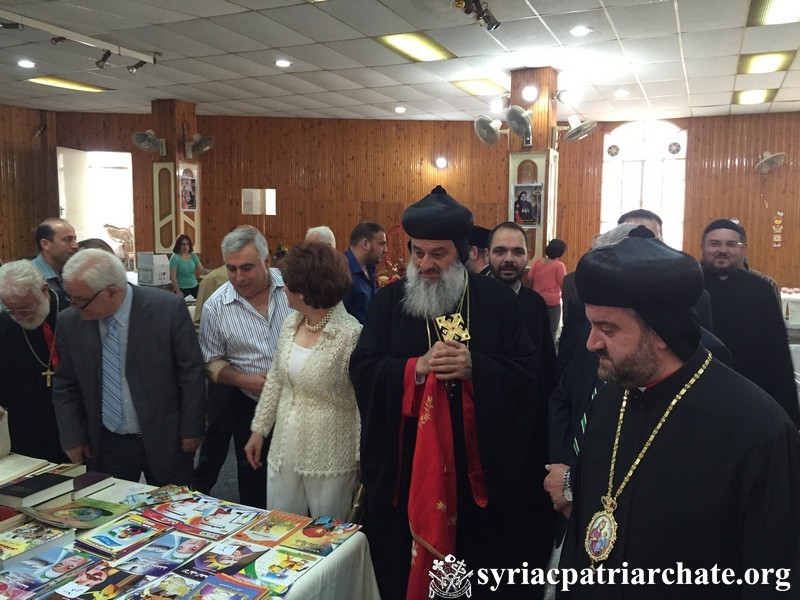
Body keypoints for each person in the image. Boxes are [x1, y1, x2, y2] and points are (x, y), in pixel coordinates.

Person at [558, 232, 800, 597]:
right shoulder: (610, 401)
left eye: (607, 328)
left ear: (661, 332)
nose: (591, 342)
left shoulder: (757, 430)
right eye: (591, 325)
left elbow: (772, 576)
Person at [350, 186, 540, 600]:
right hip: (410, 464)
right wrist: (412, 370)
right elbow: (362, 370)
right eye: (418, 253)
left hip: (477, 467)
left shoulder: (499, 303)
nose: (425, 264)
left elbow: (529, 375)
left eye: (438, 254)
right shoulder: (388, 303)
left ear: (463, 252)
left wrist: (478, 369)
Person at [52, 249, 205, 485]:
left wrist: (191, 429)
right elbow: (66, 384)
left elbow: (191, 373)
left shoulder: (167, 309)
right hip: (107, 443)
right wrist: (73, 436)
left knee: (172, 511)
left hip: (166, 437)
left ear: (112, 292)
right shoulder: (70, 321)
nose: (75, 308)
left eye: (81, 301)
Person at [244, 241, 361, 520]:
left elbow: (361, 405)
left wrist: (361, 458)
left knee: (328, 534)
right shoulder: (291, 323)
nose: (283, 289)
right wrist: (259, 429)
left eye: (288, 285)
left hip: (330, 451)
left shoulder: (351, 335)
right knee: (279, 525)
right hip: (285, 442)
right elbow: (275, 380)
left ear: (307, 291)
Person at [198, 227, 292, 507]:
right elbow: (210, 362)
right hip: (250, 406)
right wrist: (243, 380)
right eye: (232, 268)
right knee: (256, 485)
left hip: (302, 404)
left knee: (301, 483)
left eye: (247, 268)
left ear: (267, 262)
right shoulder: (216, 307)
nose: (239, 277)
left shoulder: (294, 287)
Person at [485, 221, 557, 577]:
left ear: (529, 257)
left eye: (516, 251)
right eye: (500, 251)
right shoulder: (471, 299)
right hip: (485, 428)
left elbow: (545, 369)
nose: (508, 259)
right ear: (488, 255)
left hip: (529, 430)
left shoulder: (533, 303)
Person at [700, 219, 800, 427]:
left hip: (753, 389)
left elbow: (777, 349)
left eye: (731, 244)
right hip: (700, 390)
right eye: (715, 243)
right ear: (703, 247)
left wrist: (788, 410)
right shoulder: (687, 285)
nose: (723, 250)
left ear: (743, 249)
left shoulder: (761, 290)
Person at [0, 261, 69, 462]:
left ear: (44, 289)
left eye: (26, 308)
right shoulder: (5, 324)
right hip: (22, 426)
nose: (19, 316)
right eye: (11, 309)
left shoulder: (69, 314)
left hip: (69, 426)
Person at [342, 222, 387, 323]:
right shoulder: (343, 273)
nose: (385, 250)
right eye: (382, 244)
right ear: (365, 244)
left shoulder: (369, 268)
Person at [528, 238, 567, 344]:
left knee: (537, 329)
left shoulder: (538, 262)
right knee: (552, 331)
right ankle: (550, 356)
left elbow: (530, 278)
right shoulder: (559, 265)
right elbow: (563, 284)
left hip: (537, 300)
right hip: (552, 303)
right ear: (560, 252)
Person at [31, 218, 78, 299]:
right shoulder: (26, 278)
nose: (75, 246)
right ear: (45, 244)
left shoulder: (73, 274)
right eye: (68, 240)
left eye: (75, 239)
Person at [169, 234, 208, 299]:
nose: (186, 247)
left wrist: (214, 271)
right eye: (183, 244)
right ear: (178, 245)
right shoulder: (175, 258)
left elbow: (201, 270)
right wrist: (178, 291)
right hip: (182, 289)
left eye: (188, 244)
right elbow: (173, 277)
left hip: (195, 286)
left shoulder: (193, 255)